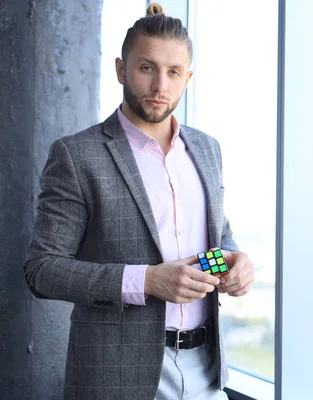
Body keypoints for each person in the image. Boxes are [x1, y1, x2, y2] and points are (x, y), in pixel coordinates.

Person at [23, 3, 254, 399]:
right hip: (116, 378)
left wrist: (236, 259)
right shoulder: (77, 156)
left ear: (188, 78)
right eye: (147, 67)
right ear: (120, 69)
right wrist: (146, 280)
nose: (160, 85)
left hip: (208, 371)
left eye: (174, 72)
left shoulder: (207, 149)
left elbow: (219, 235)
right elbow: (42, 270)